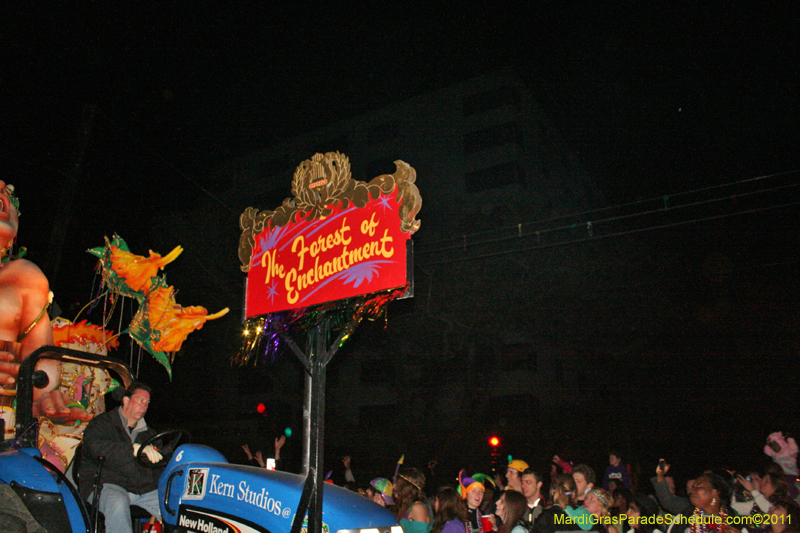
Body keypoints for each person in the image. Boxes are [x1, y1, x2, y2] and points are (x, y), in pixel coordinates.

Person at [0, 181, 86, 435]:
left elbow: (40, 359)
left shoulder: (25, 277)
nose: (3, 187)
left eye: (8, 193)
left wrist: (44, 398)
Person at [78, 382, 163, 533]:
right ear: (126, 400)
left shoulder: (149, 434)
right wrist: (133, 449)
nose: (144, 406)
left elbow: (158, 467)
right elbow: (95, 447)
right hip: (106, 483)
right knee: (117, 502)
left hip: (140, 489)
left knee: (175, 505)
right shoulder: (102, 423)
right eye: (140, 400)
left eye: (147, 402)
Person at [393, 467, 432, 533]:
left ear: (406, 486)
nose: (394, 486)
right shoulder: (402, 505)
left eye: (397, 483)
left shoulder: (418, 507)